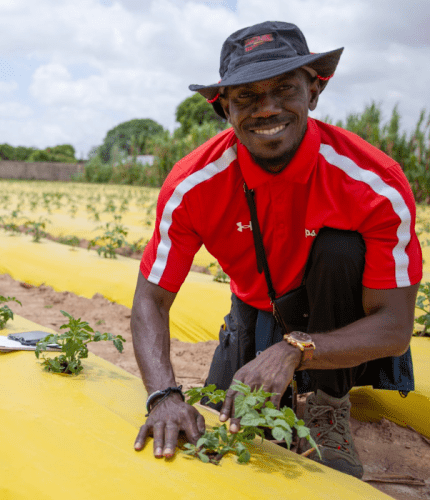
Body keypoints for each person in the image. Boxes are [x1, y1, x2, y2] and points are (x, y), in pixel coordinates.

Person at [131, 20, 421, 479]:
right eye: (246, 96)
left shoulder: (374, 182)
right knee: (227, 425)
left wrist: (295, 349)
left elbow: (394, 327)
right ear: (223, 107)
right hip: (258, 305)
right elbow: (151, 297)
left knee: (341, 249)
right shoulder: (193, 184)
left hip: (344, 315)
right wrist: (163, 395)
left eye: (285, 89)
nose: (267, 109)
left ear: (314, 92)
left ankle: (329, 406)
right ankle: (261, 352)